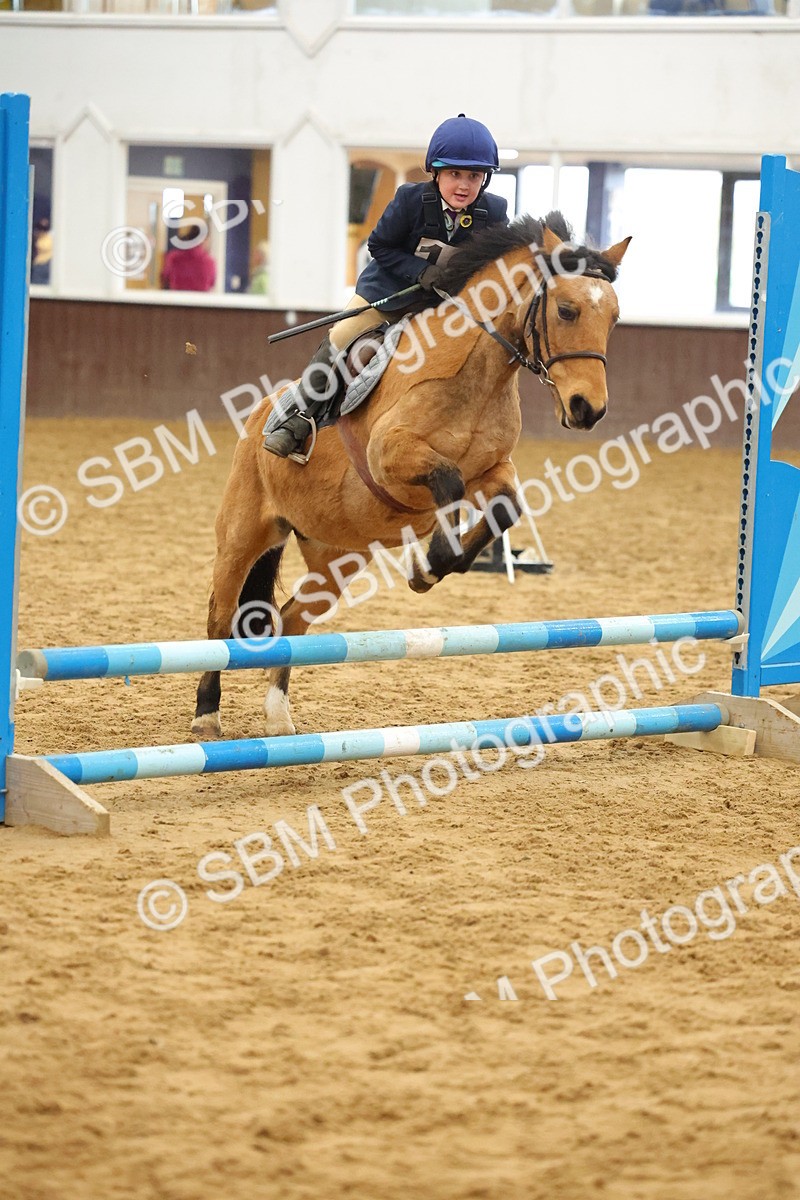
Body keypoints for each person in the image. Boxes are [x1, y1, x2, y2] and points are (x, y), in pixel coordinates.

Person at [263, 113, 509, 460]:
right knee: (343, 335)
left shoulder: (495, 212)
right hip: (387, 294)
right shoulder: (410, 200)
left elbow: (495, 268)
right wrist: (419, 271)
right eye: (455, 174)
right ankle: (298, 419)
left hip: (440, 310)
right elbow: (379, 246)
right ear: (435, 172)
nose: (464, 185)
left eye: (474, 176)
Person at [160, 224, 216, 292]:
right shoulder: (208, 261)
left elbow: (164, 277)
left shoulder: (173, 257)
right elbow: (212, 283)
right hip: (200, 301)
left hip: (176, 300)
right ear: (204, 239)